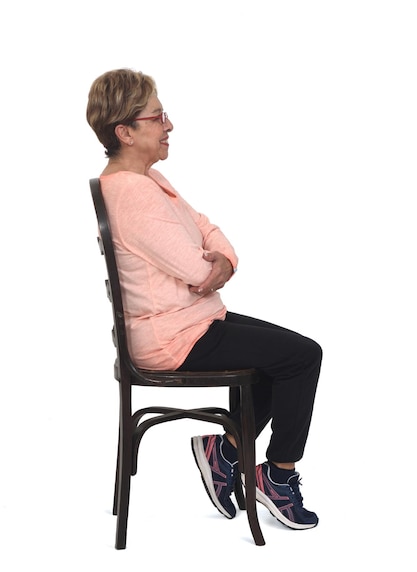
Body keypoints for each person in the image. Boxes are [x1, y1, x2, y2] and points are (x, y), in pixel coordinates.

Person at [86, 68, 323, 530]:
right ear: (125, 132)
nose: (168, 125)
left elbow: (210, 231)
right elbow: (197, 267)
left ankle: (224, 453)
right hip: (174, 336)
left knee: (287, 353)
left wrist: (224, 263)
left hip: (191, 322)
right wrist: (212, 265)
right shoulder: (133, 193)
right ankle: (276, 475)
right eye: (157, 117)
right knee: (301, 356)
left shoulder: (148, 183)